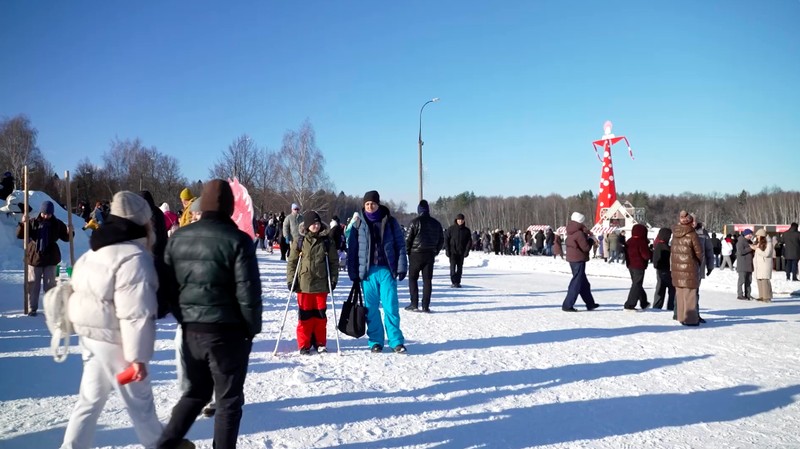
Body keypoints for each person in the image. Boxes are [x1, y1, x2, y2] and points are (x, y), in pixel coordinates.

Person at [158, 180, 262, 449]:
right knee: (228, 402)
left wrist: (186, 319)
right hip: (228, 334)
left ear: (202, 205)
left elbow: (167, 289)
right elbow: (248, 293)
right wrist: (250, 330)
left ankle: (166, 443)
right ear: (229, 206)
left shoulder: (179, 237)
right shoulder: (239, 240)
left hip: (193, 330)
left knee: (196, 392)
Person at [61, 191, 166, 449]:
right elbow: (135, 312)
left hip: (91, 338)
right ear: (142, 222)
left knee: (90, 400)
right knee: (142, 407)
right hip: (115, 340)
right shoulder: (134, 257)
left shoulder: (94, 251)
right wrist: (138, 357)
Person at [346, 190, 408, 353]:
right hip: (368, 273)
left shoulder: (390, 221)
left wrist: (401, 266)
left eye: (373, 203)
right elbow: (352, 249)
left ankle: (396, 341)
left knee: (391, 307)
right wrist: (353, 272)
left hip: (387, 270)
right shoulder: (358, 224)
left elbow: (400, 245)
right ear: (363, 205)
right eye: (367, 204)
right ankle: (375, 341)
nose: (370, 206)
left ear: (378, 204)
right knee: (371, 309)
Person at [287, 211, 338, 354]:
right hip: (304, 285)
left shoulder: (327, 241)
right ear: (307, 225)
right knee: (305, 316)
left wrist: (333, 280)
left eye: (318, 223)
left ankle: (320, 342)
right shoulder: (300, 241)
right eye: (313, 224)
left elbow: (333, 262)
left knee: (320, 316)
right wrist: (291, 280)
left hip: (321, 284)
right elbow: (292, 262)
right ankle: (304, 344)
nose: (316, 226)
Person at [16, 200, 72, 316]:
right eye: (44, 213)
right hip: (34, 257)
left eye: (49, 214)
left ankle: (51, 308)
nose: (46, 216)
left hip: (50, 258)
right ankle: (32, 308)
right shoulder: (32, 222)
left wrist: (70, 232)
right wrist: (23, 224)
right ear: (41, 212)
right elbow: (20, 235)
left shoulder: (57, 224)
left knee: (50, 285)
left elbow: (66, 238)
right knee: (33, 285)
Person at [404, 200, 444, 312]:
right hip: (430, 254)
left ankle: (414, 304)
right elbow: (441, 239)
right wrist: (435, 250)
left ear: (419, 210)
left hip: (416, 254)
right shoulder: (436, 223)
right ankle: (425, 305)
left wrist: (408, 252)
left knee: (413, 279)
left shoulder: (414, 222)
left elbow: (407, 239)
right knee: (427, 280)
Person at [561, 212, 600, 312]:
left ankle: (590, 303)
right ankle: (567, 305)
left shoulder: (571, 230)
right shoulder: (579, 233)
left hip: (572, 258)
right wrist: (591, 240)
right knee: (577, 283)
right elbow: (586, 247)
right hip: (578, 259)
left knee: (584, 283)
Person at [670, 211, 703, 326]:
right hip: (689, 268)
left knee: (680, 293)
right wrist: (697, 262)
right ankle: (691, 319)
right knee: (690, 295)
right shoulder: (692, 234)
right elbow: (699, 252)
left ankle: (681, 316)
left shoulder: (675, 233)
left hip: (676, 268)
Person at [623, 223, 652, 311]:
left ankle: (644, 302)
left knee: (637, 284)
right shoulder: (641, 242)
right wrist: (650, 252)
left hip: (630, 265)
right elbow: (646, 255)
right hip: (639, 265)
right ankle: (630, 304)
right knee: (637, 284)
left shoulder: (629, 241)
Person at [444, 213, 471, 288]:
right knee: (452, 267)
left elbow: (469, 242)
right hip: (452, 252)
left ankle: (458, 282)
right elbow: (446, 239)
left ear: (463, 220)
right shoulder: (451, 229)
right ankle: (453, 281)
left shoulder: (466, 230)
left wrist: (467, 251)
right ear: (456, 220)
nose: (460, 221)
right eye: (459, 220)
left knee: (459, 268)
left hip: (461, 252)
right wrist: (447, 250)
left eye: (461, 220)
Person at [651, 227, 676, 310]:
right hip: (664, 270)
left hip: (663, 270)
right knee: (670, 288)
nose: (670, 237)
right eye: (669, 236)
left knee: (661, 289)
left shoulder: (659, 244)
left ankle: (658, 306)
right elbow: (656, 261)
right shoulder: (662, 246)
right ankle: (670, 306)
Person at [752, 229, 774, 302]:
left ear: (762, 235)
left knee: (765, 280)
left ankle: (767, 297)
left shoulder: (769, 243)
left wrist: (757, 249)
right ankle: (761, 296)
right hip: (759, 265)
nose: (757, 237)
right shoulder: (759, 242)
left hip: (765, 265)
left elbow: (766, 254)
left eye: (758, 235)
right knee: (759, 280)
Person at [736, 229, 755, 300]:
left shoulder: (749, 242)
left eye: (751, 234)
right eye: (749, 234)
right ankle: (740, 294)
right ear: (745, 234)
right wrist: (750, 248)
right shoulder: (740, 241)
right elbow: (740, 252)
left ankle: (748, 294)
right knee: (742, 280)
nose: (750, 236)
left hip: (749, 264)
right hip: (742, 264)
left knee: (749, 280)